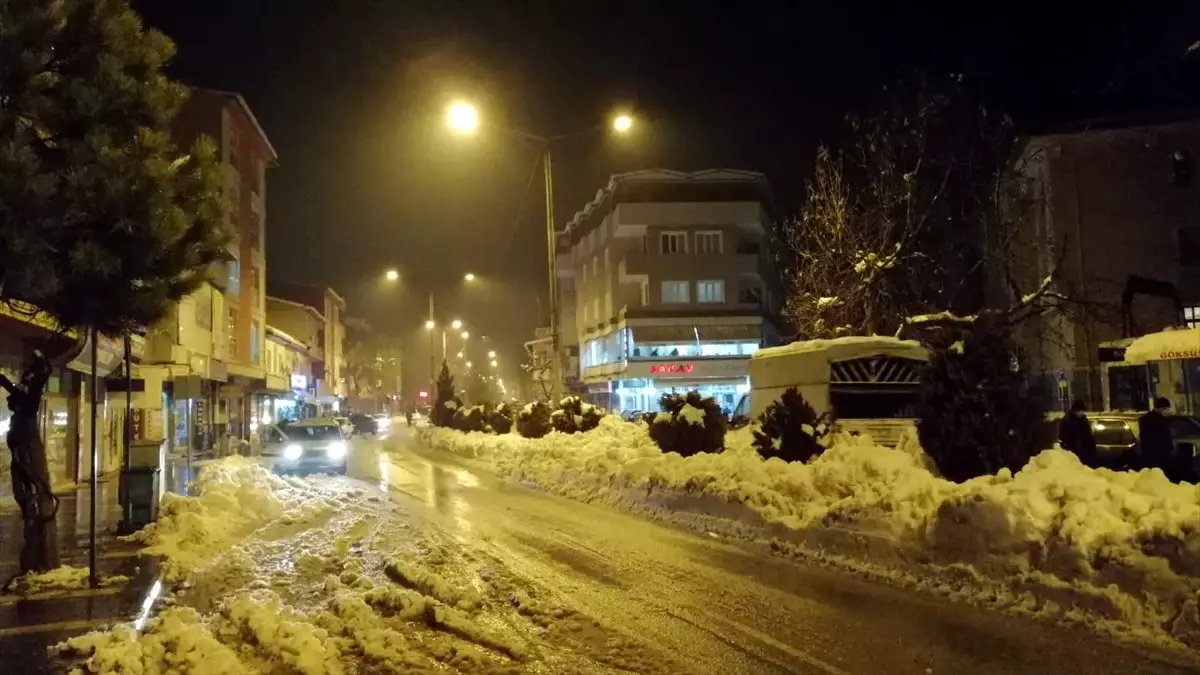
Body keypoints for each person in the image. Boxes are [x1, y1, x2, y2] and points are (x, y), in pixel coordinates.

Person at [1138, 397, 1175, 475]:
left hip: (1157, 455)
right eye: (1165, 409)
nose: (1167, 411)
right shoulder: (1153, 420)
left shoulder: (1156, 419)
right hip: (1156, 456)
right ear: (1160, 408)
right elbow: (1157, 438)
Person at [1058, 400, 1097, 466]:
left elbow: (1089, 435)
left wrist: (1092, 448)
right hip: (1073, 450)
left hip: (1085, 450)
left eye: (1082, 411)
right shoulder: (1068, 420)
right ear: (1075, 411)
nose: (1081, 413)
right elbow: (1064, 436)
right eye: (1079, 411)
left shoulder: (1084, 420)